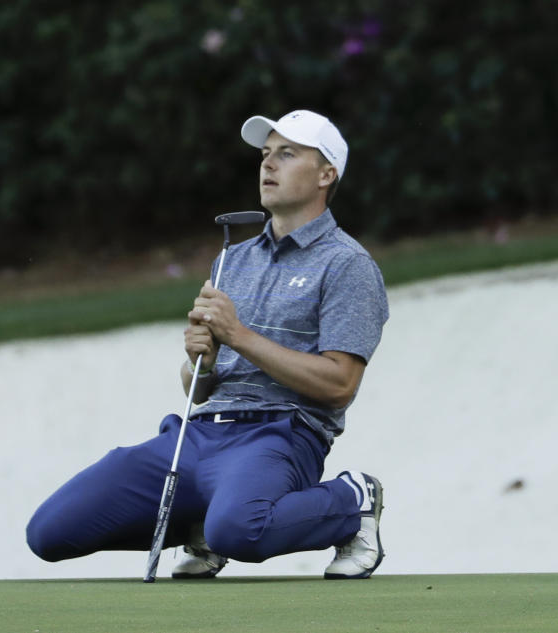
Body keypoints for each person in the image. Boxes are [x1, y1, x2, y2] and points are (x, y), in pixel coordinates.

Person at [26, 110, 389, 580]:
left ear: (326, 174)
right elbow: (196, 389)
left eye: (287, 153)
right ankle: (202, 522)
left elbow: (340, 385)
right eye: (264, 154)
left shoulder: (347, 265)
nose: (268, 165)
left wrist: (238, 336)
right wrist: (202, 360)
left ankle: (351, 502)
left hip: (280, 436)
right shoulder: (231, 261)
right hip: (198, 435)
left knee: (240, 531)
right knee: (51, 532)